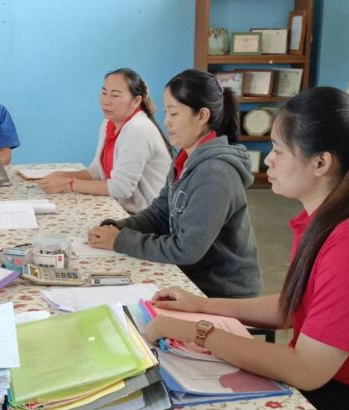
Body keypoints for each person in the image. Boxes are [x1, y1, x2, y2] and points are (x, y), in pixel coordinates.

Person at [144, 87, 349, 410]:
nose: (268, 161)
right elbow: (295, 305)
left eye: (277, 150)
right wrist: (201, 305)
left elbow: (306, 369)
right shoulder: (322, 218)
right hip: (334, 382)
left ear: (321, 162)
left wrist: (197, 331)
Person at [87, 69, 261, 297]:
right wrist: (119, 227)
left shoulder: (215, 173)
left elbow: (186, 249)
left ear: (202, 116)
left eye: (174, 114)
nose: (166, 122)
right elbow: (160, 213)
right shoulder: (186, 158)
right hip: (193, 278)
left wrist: (121, 240)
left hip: (220, 292)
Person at [37, 68, 171, 213]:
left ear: (136, 101)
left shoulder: (138, 129)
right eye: (104, 93)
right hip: (122, 209)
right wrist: (62, 175)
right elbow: (97, 171)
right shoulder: (109, 123)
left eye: (115, 95)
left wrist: (68, 184)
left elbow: (120, 188)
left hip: (149, 217)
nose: (106, 101)